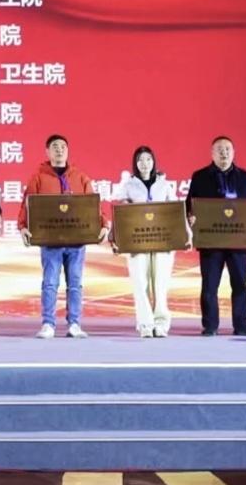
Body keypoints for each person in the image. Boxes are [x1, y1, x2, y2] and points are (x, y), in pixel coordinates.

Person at [20, 134, 97, 339]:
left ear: (68, 150)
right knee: (50, 283)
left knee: (75, 284)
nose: (59, 150)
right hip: (50, 241)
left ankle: (74, 324)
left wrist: (103, 224)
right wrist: (23, 226)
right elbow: (27, 205)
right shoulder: (38, 178)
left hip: (76, 241)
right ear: (47, 151)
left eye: (63, 146)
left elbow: (92, 205)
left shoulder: (80, 178)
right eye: (55, 147)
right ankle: (48, 324)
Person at [187, 136, 246, 337]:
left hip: (238, 241)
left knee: (241, 284)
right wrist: (191, 216)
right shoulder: (200, 176)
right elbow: (189, 204)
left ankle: (241, 325)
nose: (224, 153)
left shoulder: (244, 177)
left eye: (227, 149)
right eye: (219, 149)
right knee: (209, 285)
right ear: (212, 153)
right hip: (211, 241)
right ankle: (210, 325)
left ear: (233, 152)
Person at [114, 145, 179, 339]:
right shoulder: (128, 185)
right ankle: (145, 324)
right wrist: (118, 238)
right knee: (140, 283)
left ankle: (161, 323)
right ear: (135, 163)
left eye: (148, 159)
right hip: (137, 242)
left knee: (160, 283)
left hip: (163, 241)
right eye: (140, 160)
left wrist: (185, 235)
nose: (145, 163)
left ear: (153, 162)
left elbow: (176, 211)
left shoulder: (164, 185)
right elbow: (121, 215)